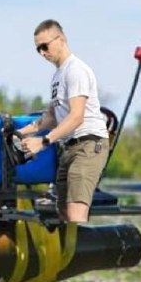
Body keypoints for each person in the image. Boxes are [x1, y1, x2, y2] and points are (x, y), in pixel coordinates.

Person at [18, 19, 108, 223]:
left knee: (75, 214)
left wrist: (43, 142)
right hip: (68, 147)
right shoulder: (58, 76)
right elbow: (51, 117)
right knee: (63, 213)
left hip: (88, 144)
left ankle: (83, 243)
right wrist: (19, 133)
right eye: (38, 49)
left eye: (45, 46)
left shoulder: (75, 70)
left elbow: (76, 117)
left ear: (61, 39)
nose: (42, 53)